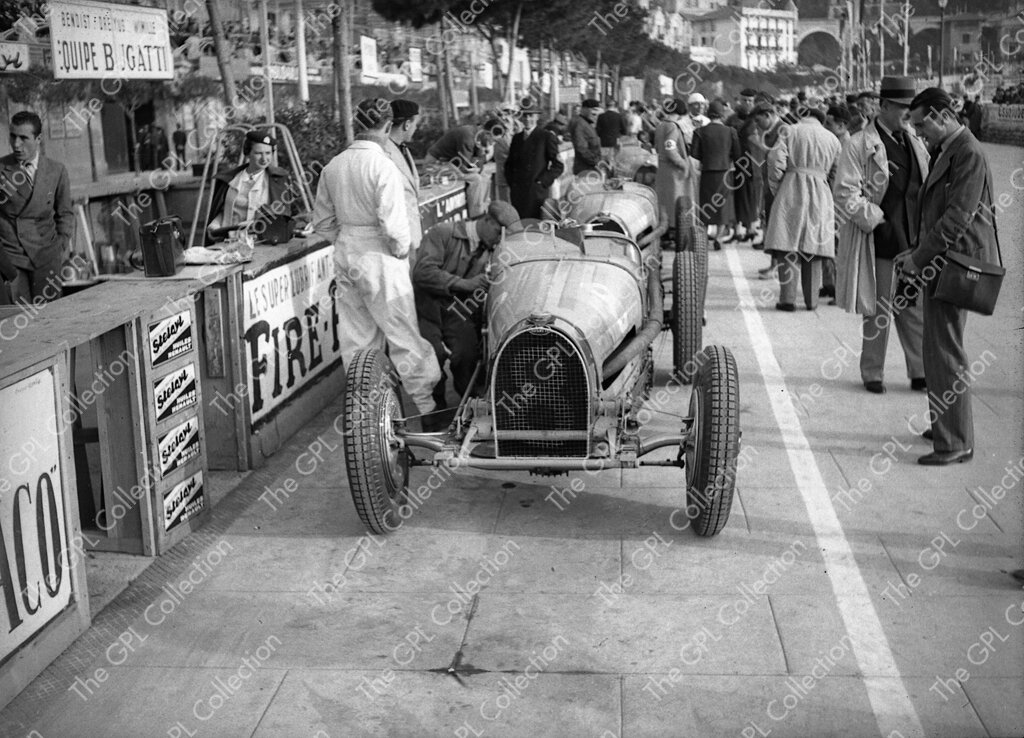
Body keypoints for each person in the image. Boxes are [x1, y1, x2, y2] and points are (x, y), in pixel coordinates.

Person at [311, 98, 441, 419]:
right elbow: (394, 226)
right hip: (382, 256)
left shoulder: (334, 165)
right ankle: (425, 410)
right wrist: (398, 252)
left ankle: (368, 415)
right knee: (402, 334)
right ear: (386, 126)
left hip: (346, 252)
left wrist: (347, 240)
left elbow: (323, 223)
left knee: (357, 340)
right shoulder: (384, 166)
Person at [896, 87, 1000, 465]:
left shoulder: (968, 152)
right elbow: (938, 212)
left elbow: (958, 218)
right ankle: (946, 422)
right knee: (936, 348)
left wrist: (920, 257)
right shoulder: (950, 149)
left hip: (955, 264)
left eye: (923, 125)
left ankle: (955, 441)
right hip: (944, 261)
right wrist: (918, 251)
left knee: (945, 351)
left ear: (942, 116)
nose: (920, 133)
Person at [834, 77, 929, 396]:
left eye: (910, 108)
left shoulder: (914, 141)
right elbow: (845, 191)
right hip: (881, 238)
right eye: (903, 107)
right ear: (884, 106)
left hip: (913, 239)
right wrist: (874, 219)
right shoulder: (859, 143)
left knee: (913, 308)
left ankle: (919, 370)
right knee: (879, 309)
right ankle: (872, 371)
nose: (908, 113)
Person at [412, 200, 521, 424]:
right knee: (431, 359)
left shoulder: (491, 250)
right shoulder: (442, 233)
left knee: (467, 354)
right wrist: (464, 284)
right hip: (427, 310)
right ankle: (435, 411)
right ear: (487, 221)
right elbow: (422, 273)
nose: (500, 241)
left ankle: (469, 405)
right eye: (499, 233)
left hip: (458, 313)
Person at [765, 107, 841, 311]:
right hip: (821, 192)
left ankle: (788, 299)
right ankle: (811, 300)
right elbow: (837, 171)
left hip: (791, 186)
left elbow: (775, 161)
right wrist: (828, 190)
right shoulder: (832, 138)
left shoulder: (789, 131)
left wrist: (778, 187)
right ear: (821, 119)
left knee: (787, 245)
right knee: (813, 248)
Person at [0, 110, 73, 303]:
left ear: (38, 138)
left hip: (46, 258)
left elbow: (65, 213)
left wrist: (61, 247)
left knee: (50, 321)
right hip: (12, 260)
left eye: (23, 138)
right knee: (17, 323)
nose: (16, 144)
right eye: (13, 136)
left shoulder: (56, 170)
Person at [206, 129, 295, 243]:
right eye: (258, 153)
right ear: (248, 153)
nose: (264, 158)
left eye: (268, 153)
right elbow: (223, 211)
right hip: (229, 240)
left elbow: (284, 216)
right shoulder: (230, 180)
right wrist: (214, 226)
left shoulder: (279, 180)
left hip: (264, 242)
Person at [690, 100, 739, 247]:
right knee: (723, 206)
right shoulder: (731, 132)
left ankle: (703, 237)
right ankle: (718, 237)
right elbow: (737, 153)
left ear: (707, 113)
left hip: (707, 173)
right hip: (725, 172)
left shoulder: (699, 132)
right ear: (723, 115)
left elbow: (694, 153)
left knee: (706, 205)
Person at [424, 122, 495, 217]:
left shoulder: (477, 135)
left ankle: (484, 208)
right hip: (435, 165)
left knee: (485, 175)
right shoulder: (468, 135)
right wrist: (484, 157)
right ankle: (476, 216)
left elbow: (476, 162)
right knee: (475, 179)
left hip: (449, 164)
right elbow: (467, 166)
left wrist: (480, 160)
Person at [505, 110, 565, 220]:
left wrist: (542, 181)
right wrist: (511, 181)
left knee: (536, 227)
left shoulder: (546, 136)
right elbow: (509, 164)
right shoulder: (516, 138)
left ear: (537, 117)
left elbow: (558, 165)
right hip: (518, 191)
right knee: (520, 224)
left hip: (536, 191)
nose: (527, 119)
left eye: (531, 116)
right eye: (525, 116)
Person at [384, 99, 423, 263]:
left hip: (410, 235)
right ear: (407, 124)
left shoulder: (403, 149)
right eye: (415, 124)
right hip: (396, 240)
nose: (416, 129)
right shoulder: (383, 151)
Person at [751, 102, 786, 276]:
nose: (757, 125)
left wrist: (758, 143)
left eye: (759, 121)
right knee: (771, 224)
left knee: (777, 225)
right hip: (770, 184)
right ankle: (774, 264)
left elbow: (777, 156)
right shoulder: (770, 130)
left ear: (768, 115)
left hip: (778, 186)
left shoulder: (783, 130)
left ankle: (778, 266)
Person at [726, 88, 762, 243]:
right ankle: (736, 230)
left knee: (751, 196)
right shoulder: (732, 119)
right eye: (744, 100)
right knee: (735, 196)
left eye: (750, 101)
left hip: (753, 163)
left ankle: (751, 228)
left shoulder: (758, 120)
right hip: (735, 162)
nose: (747, 103)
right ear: (739, 101)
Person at [653, 98, 692, 237]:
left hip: (662, 168)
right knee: (676, 201)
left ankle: (664, 226)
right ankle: (674, 229)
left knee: (663, 200)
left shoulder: (660, 125)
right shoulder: (673, 127)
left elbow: (658, 147)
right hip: (674, 172)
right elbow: (670, 149)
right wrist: (683, 164)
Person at [569, 99, 602, 175]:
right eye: (593, 113)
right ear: (584, 109)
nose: (595, 116)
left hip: (590, 167)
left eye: (597, 114)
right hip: (585, 169)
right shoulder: (580, 124)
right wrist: (595, 161)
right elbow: (581, 148)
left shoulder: (587, 124)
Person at [595, 103, 626, 167]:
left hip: (603, 141)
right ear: (614, 107)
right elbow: (624, 131)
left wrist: (602, 135)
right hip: (615, 141)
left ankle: (604, 172)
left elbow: (597, 130)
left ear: (606, 107)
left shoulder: (601, 116)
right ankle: (613, 171)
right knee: (614, 159)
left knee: (603, 159)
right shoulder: (618, 116)